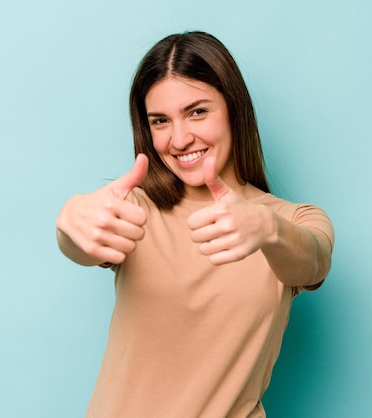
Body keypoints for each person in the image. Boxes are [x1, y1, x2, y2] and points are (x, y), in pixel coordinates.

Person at [56, 31, 334, 418]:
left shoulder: (293, 220)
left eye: (197, 112)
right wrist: (70, 224)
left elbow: (315, 261)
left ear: (234, 109)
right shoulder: (135, 209)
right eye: (160, 121)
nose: (180, 139)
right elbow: (80, 244)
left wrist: (269, 229)